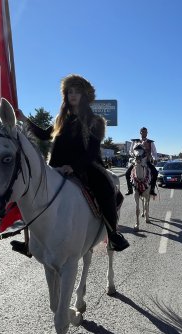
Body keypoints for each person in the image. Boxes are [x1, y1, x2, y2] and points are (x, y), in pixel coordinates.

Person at [48, 74, 129, 251]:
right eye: (70, 92)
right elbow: (44, 135)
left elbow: (92, 152)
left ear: (84, 96)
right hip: (57, 167)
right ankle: (32, 238)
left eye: (77, 92)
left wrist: (73, 167)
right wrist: (24, 119)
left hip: (86, 166)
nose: (73, 95)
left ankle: (113, 233)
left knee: (106, 189)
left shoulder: (95, 121)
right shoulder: (61, 120)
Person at [124, 127, 158, 196]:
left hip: (146, 161)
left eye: (145, 132)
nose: (144, 133)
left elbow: (154, 153)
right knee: (127, 173)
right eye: (142, 132)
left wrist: (154, 159)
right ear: (140, 132)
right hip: (136, 161)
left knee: (155, 173)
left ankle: (152, 189)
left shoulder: (150, 142)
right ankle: (130, 189)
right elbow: (130, 151)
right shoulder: (135, 141)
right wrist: (134, 155)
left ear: (147, 133)